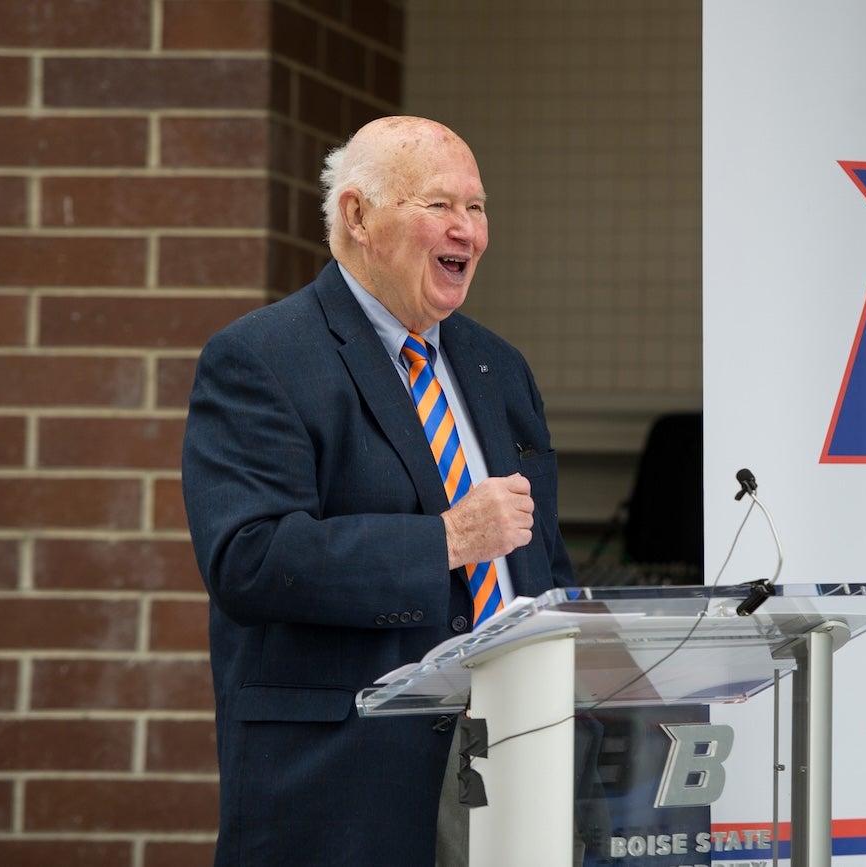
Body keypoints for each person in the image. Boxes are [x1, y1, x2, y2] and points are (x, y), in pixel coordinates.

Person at [182, 116, 575, 866]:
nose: (468, 229)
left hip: (518, 771)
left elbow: (544, 565)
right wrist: (450, 540)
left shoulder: (500, 367)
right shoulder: (261, 357)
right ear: (358, 216)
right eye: (439, 206)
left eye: (479, 207)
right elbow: (250, 557)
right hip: (344, 790)